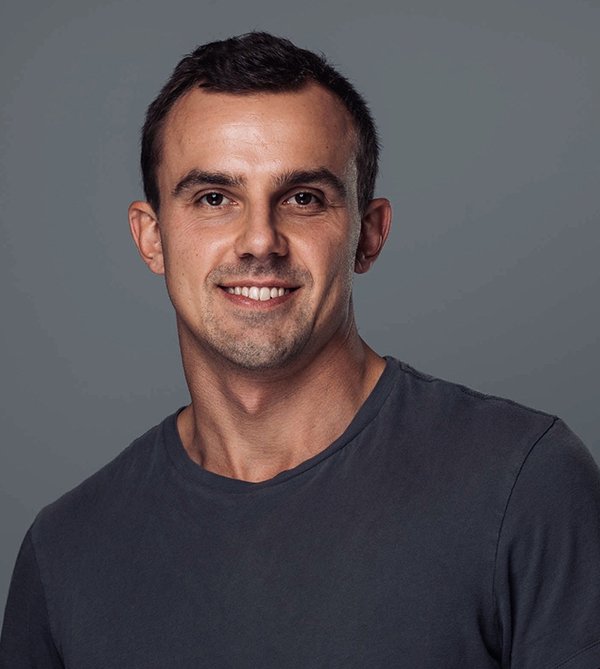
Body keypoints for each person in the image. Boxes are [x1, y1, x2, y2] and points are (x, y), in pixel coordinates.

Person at [1, 31, 599, 669]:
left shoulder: (524, 486)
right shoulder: (64, 553)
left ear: (368, 235)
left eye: (303, 199)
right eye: (214, 199)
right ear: (152, 238)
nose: (260, 240)